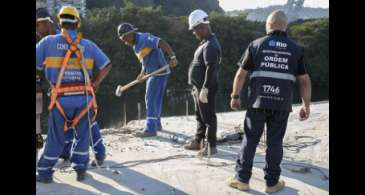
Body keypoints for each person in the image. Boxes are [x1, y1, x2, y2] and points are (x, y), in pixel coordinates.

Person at [225, 10, 312, 193]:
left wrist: (235, 96)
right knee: (275, 143)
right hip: (281, 104)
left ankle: (241, 180)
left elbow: (241, 74)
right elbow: (304, 80)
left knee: (250, 140)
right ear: (285, 26)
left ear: (270, 25)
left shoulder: (256, 45)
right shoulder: (296, 49)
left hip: (258, 102)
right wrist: (306, 105)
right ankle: (271, 184)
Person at [36, 6, 112, 183]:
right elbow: (107, 65)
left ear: (60, 22)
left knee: (56, 137)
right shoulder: (89, 45)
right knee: (83, 135)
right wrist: (96, 83)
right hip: (84, 98)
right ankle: (80, 168)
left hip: (61, 100)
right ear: (77, 23)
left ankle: (45, 171)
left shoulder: (47, 42)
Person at [117, 23, 177, 137]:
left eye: (125, 39)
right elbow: (145, 61)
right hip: (152, 73)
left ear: (130, 34)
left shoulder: (144, 38)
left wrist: (172, 57)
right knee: (156, 99)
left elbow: (161, 42)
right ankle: (156, 124)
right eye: (123, 40)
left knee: (150, 98)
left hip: (159, 72)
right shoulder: (135, 46)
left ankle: (150, 128)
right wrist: (141, 74)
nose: (125, 42)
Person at [183, 10, 222, 157]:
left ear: (202, 27)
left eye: (194, 29)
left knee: (209, 117)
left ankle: (211, 146)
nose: (194, 33)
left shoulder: (211, 45)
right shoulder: (205, 43)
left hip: (206, 88)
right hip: (198, 87)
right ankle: (198, 141)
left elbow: (211, 68)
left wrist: (205, 88)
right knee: (200, 116)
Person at [36, 7, 56, 160]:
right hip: (40, 85)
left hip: (57, 87)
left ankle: (58, 149)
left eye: (39, 25)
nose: (38, 29)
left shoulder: (58, 38)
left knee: (56, 118)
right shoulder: (39, 40)